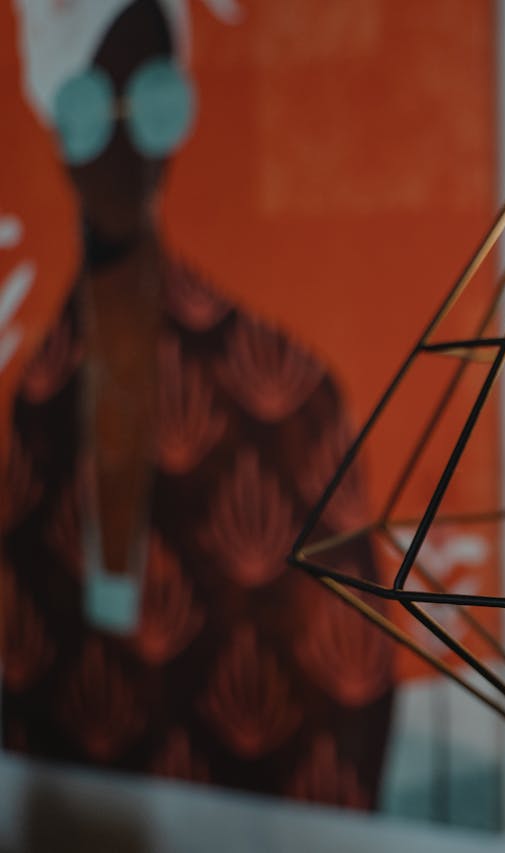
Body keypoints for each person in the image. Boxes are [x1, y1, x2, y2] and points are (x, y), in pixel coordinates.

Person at [1, 0, 392, 807]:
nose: (119, 149)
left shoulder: (289, 395)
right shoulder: (31, 414)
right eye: (87, 109)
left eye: (150, 103)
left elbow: (349, 691)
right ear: (54, 117)